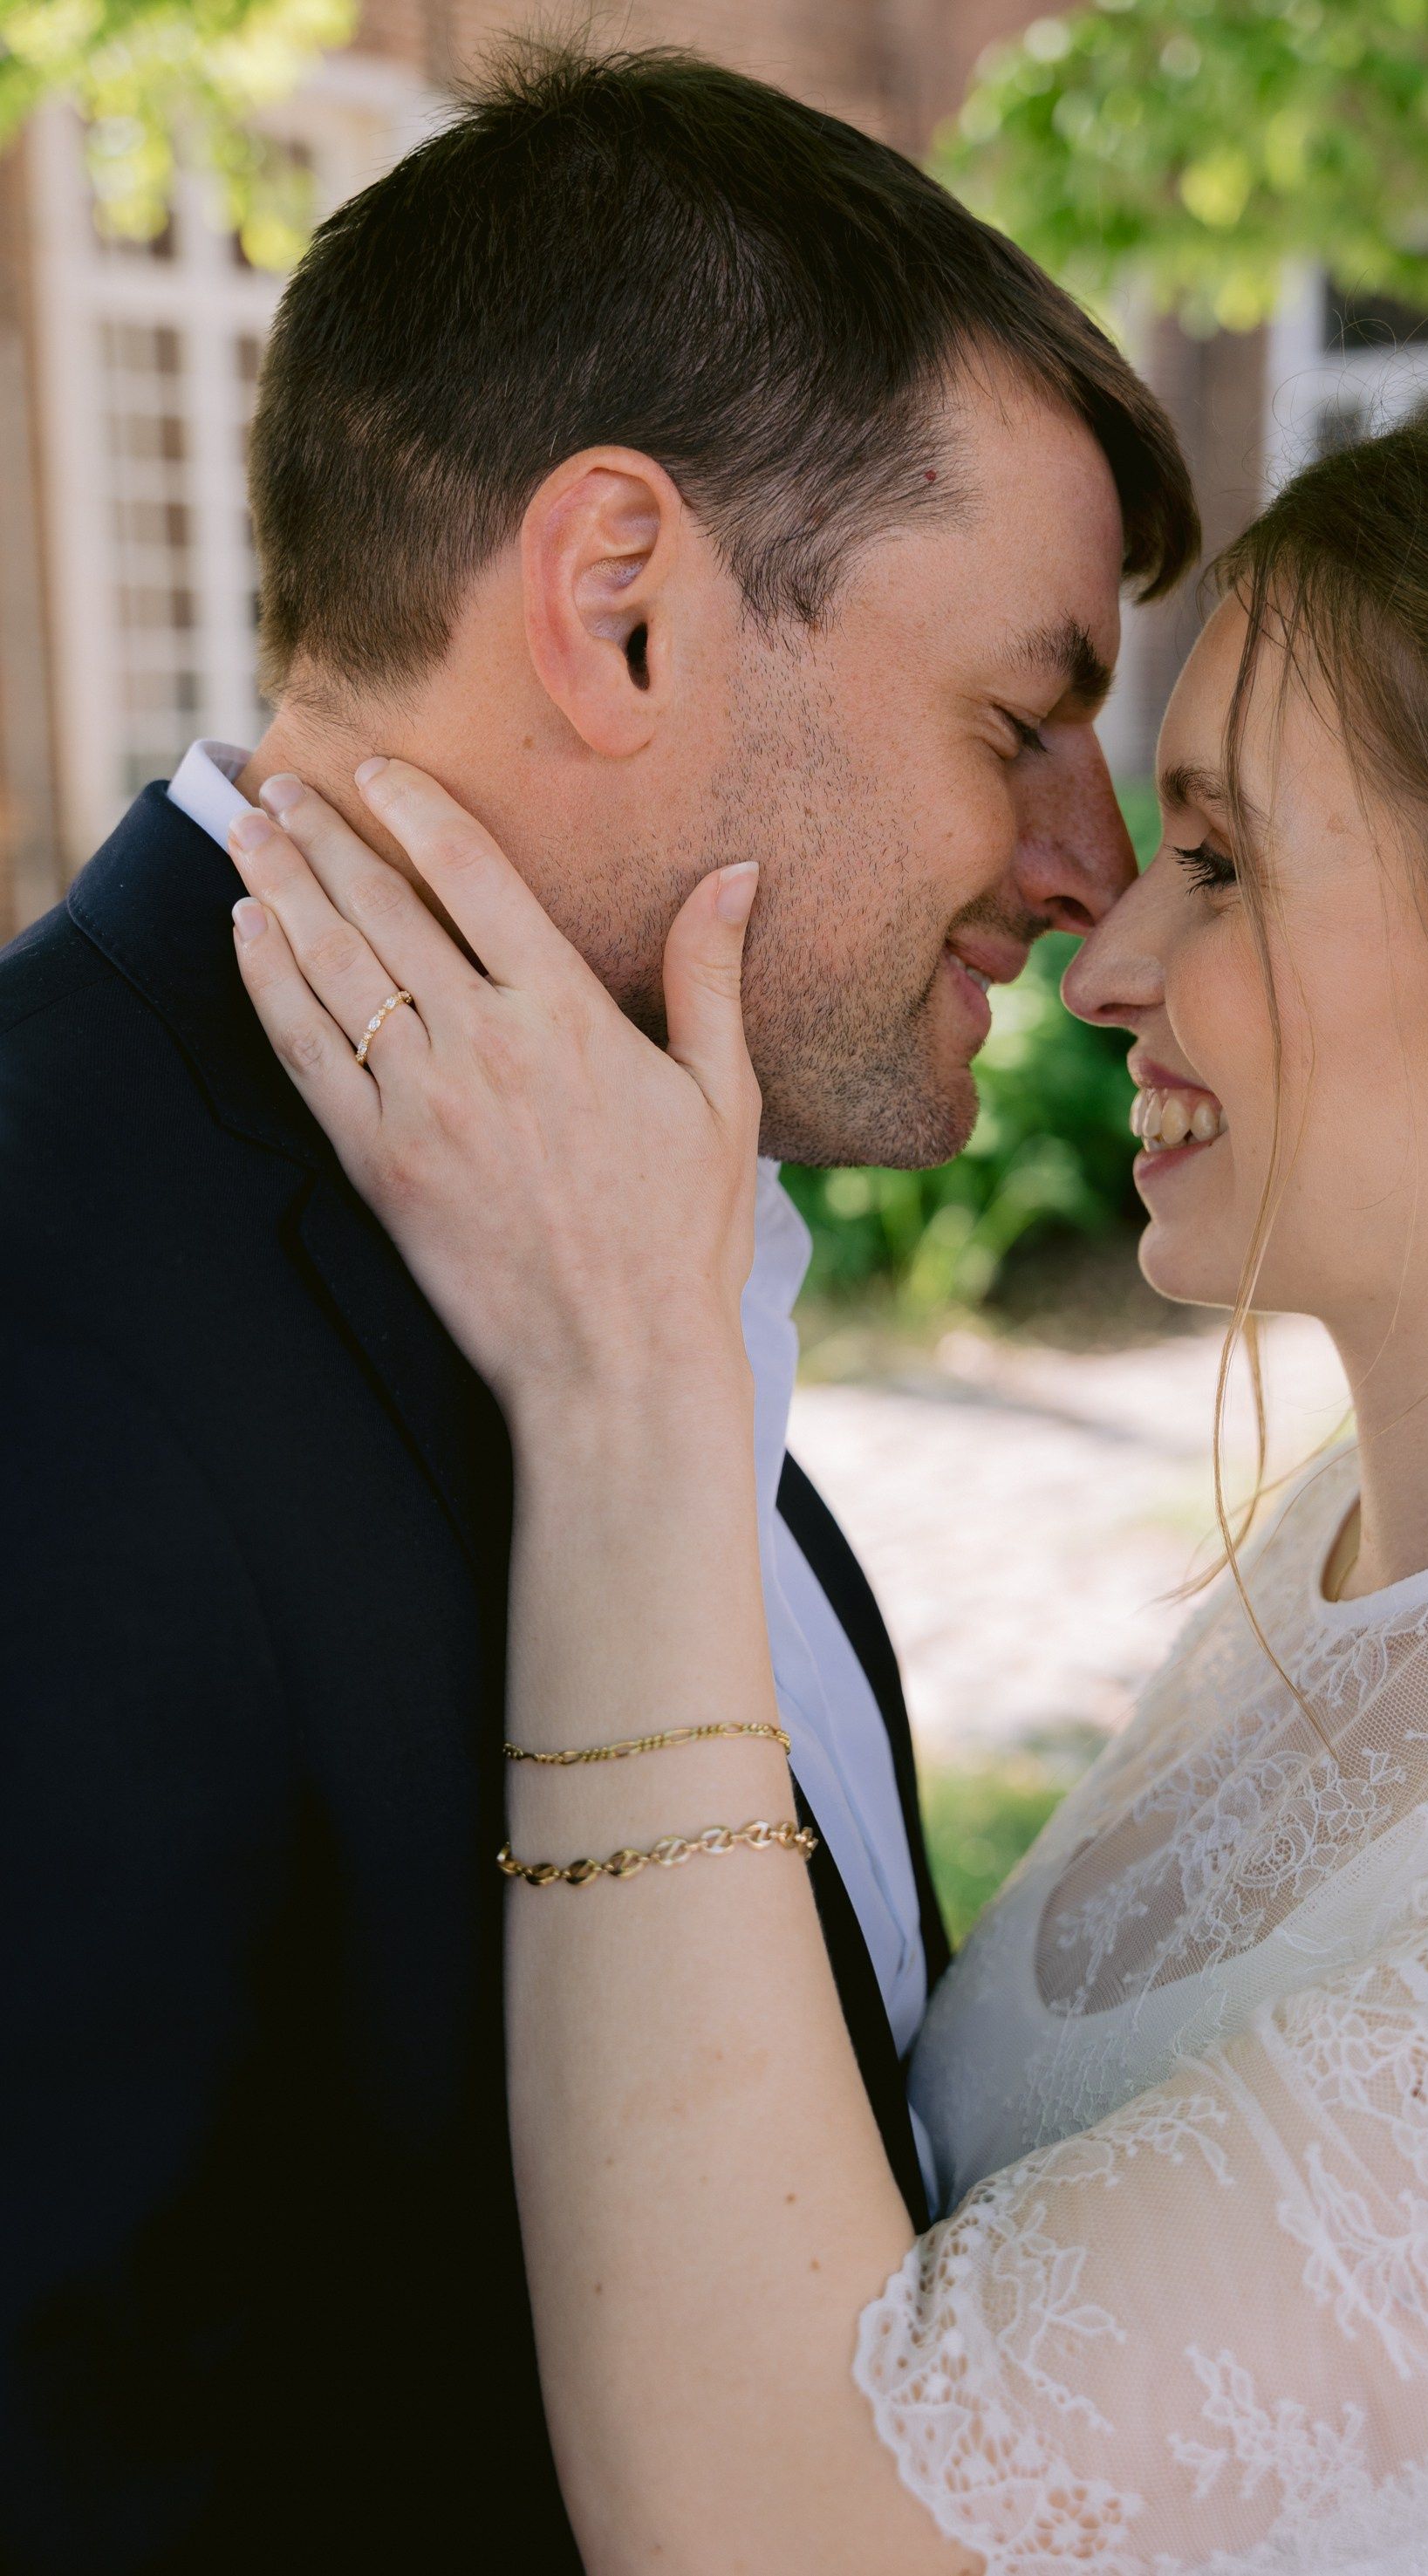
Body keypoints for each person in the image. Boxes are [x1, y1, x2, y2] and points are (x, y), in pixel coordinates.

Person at [235, 332, 1428, 2574]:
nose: (1103, 946)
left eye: (1217, 858)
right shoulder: (1359, 1536)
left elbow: (800, 2525)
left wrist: (634, 1398)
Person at [0, 46, 1195, 2571]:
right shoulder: (49, 1318)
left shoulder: (619, 1222)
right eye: (1025, 714)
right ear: (620, 604)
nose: (1087, 868)